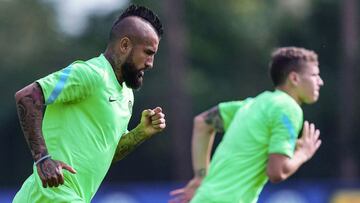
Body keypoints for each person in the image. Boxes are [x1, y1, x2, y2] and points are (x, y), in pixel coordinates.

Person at [13, 5, 166, 203]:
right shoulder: (91, 74)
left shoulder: (127, 94)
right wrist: (42, 159)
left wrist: (140, 133)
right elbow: (26, 97)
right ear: (125, 45)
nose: (150, 62)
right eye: (148, 52)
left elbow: (109, 152)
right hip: (52, 195)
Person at [169, 47, 324, 203]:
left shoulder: (253, 104)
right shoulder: (288, 108)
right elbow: (277, 172)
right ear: (294, 78)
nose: (320, 82)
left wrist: (200, 177)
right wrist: (303, 153)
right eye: (314, 75)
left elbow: (203, 122)